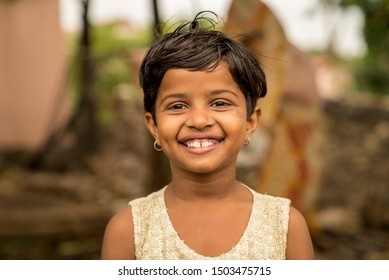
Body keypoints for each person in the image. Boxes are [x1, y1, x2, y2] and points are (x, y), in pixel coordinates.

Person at [101, 12, 314, 260]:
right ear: (154, 126)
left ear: (250, 121)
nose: (199, 121)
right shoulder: (129, 232)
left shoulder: (286, 228)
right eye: (177, 106)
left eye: (220, 103)